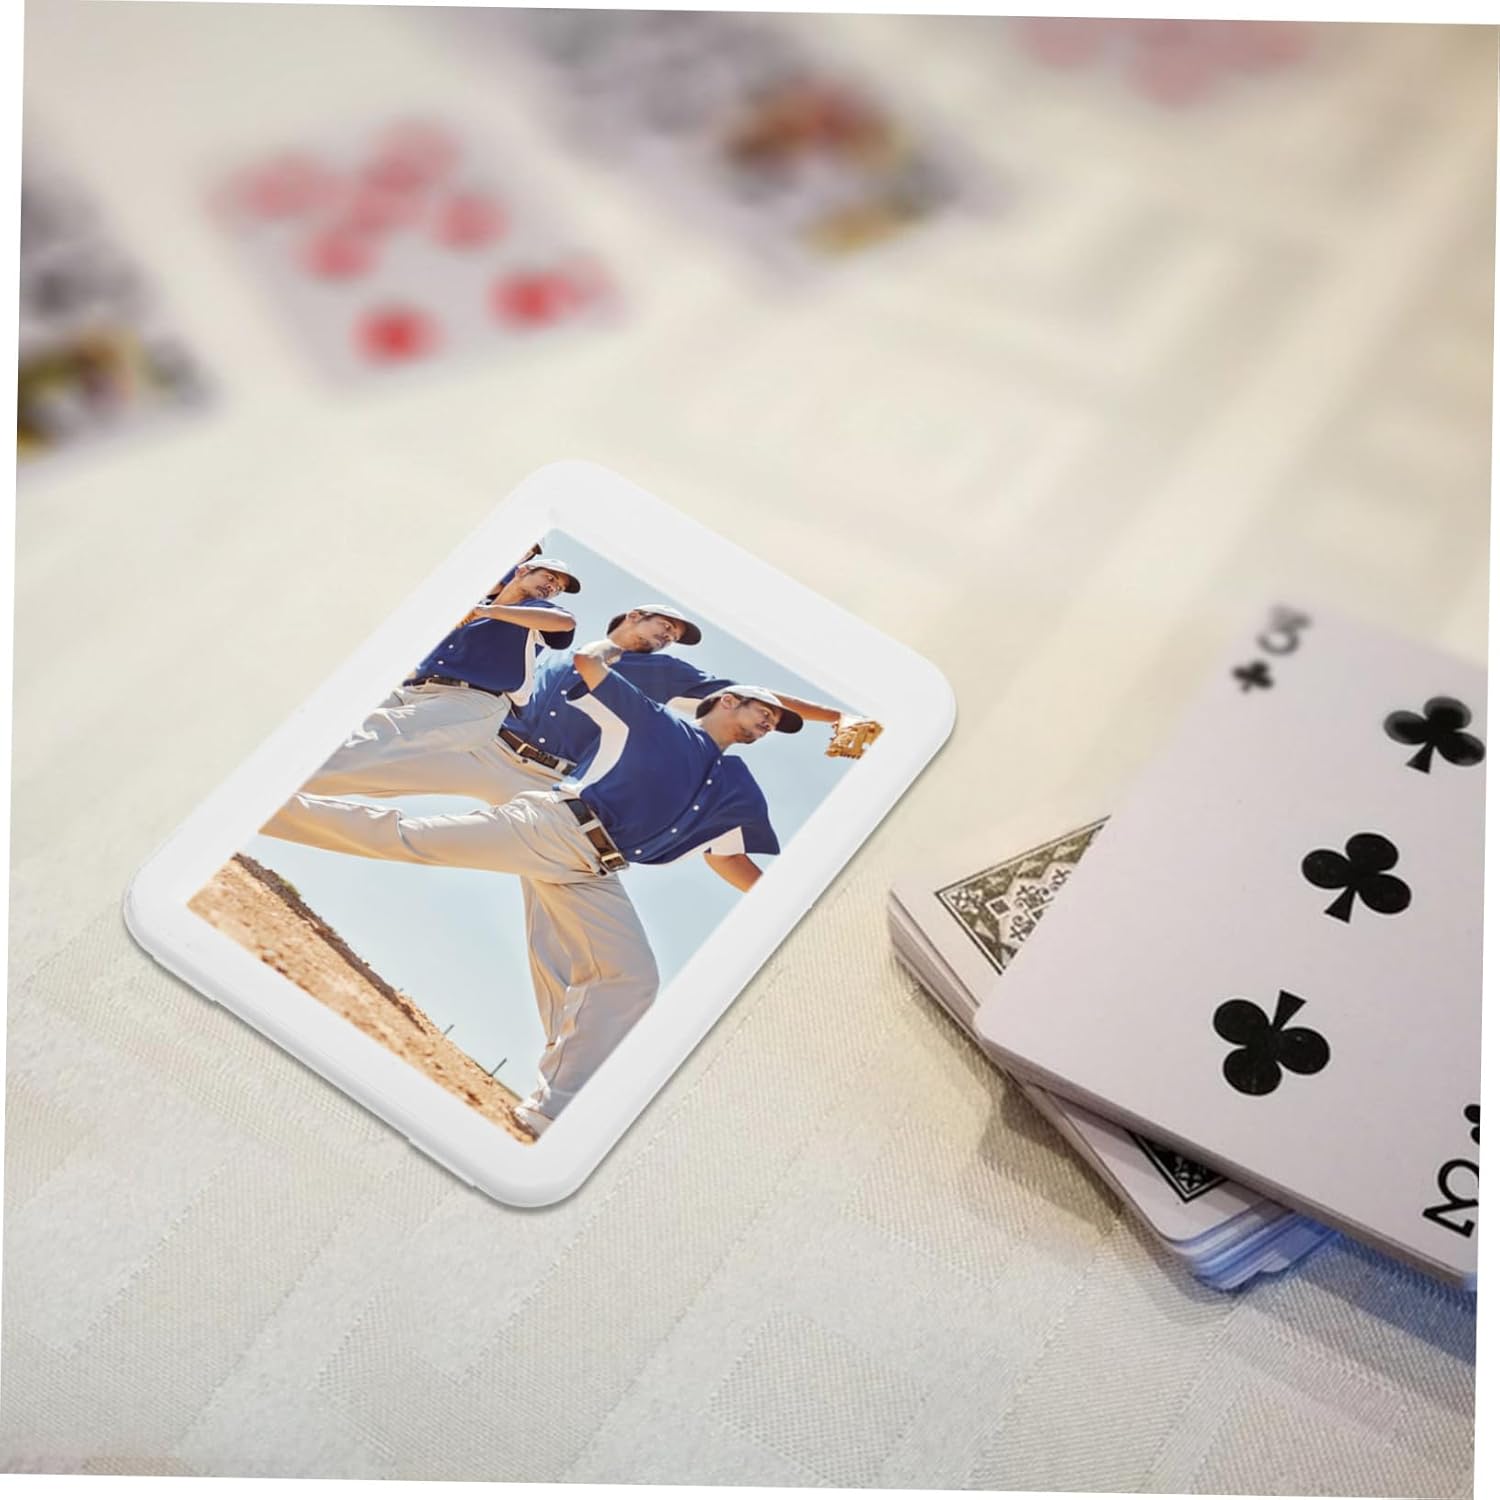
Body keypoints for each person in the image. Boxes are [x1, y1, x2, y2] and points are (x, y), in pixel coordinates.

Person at [261, 638, 802, 1137]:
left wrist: (779, 902)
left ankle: (550, 1111)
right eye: (765, 710)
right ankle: (266, 805)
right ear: (727, 701)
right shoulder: (653, 719)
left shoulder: (737, 784)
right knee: (409, 839)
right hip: (553, 825)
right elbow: (589, 664)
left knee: (631, 975)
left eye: (776, 722)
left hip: (596, 869)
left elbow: (727, 856)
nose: (770, 723)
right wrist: (611, 644)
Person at [289, 600, 866, 812]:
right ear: (633, 616)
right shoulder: (557, 646)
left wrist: (839, 718)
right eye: (664, 625)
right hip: (485, 745)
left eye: (675, 634)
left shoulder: (670, 674)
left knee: (557, 881)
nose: (669, 636)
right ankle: (266, 792)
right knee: (358, 767)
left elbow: (764, 697)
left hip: (544, 781)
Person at [299, 554, 580, 798]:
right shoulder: (468, 604)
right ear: (522, 570)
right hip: (414, 690)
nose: (552, 587)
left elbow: (565, 623)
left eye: (557, 587)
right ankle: (290, 790)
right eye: (549, 577)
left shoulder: (536, 612)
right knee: (342, 733)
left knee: (375, 731)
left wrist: (486, 611)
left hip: (472, 701)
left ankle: (287, 774)